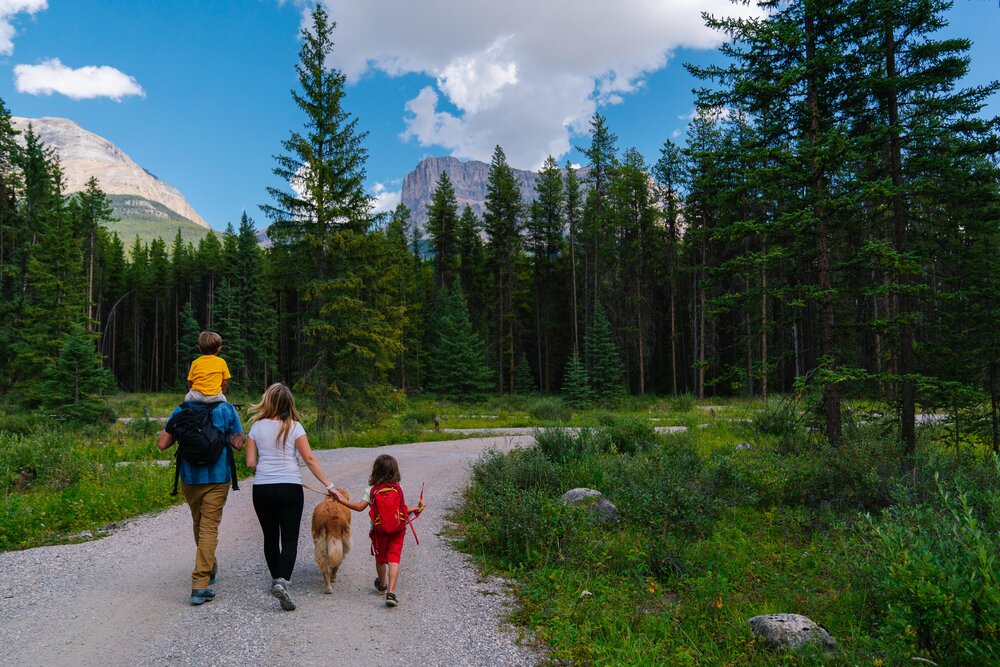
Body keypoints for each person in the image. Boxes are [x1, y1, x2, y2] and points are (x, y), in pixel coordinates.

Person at [245, 383, 338, 612]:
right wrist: (329, 485)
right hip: (290, 487)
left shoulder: (256, 428)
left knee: (270, 537)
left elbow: (250, 463)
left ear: (267, 401)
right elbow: (310, 459)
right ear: (289, 403)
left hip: (263, 488)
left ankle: (276, 577)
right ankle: (283, 582)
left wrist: (264, 468)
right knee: (289, 539)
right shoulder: (295, 427)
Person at [157, 400, 244, 605]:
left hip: (190, 478)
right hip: (218, 476)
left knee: (200, 523)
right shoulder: (227, 409)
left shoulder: (181, 409)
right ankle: (200, 585)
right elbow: (238, 444)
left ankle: (209, 568)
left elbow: (162, 443)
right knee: (209, 528)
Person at [336, 454, 424, 607]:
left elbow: (359, 507)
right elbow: (402, 510)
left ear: (375, 470)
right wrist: (417, 507)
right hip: (398, 529)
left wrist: (341, 500)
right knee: (394, 559)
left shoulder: (371, 490)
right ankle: (391, 592)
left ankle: (382, 584)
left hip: (379, 531)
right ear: (395, 470)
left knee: (381, 558)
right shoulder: (399, 488)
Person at [185, 331, 231, 404]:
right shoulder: (221, 362)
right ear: (219, 348)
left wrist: (193, 392)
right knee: (224, 402)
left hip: (197, 396)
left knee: (187, 398)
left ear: (199, 348)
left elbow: (190, 381)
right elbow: (225, 383)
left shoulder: (195, 362)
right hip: (215, 397)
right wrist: (222, 393)